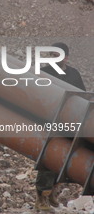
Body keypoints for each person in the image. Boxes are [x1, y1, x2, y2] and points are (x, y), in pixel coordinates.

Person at [35, 42, 86, 211]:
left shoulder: (73, 74)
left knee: (61, 159)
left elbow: (83, 96)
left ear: (66, 57)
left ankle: (51, 193)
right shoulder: (45, 73)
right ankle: (41, 197)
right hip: (50, 123)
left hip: (70, 124)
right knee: (47, 159)